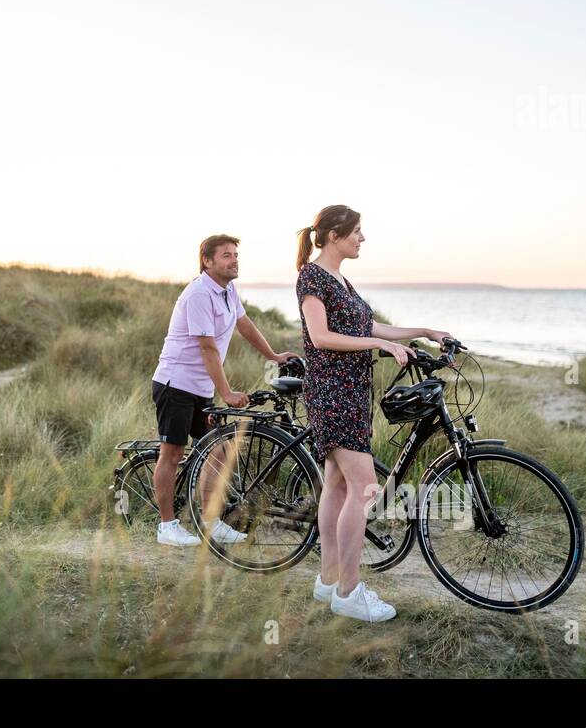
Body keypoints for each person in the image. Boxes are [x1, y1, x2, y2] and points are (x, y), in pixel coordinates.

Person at [295, 205, 452, 621]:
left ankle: (328, 582)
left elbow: (371, 327)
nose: (362, 239)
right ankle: (349, 591)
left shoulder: (342, 281)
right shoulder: (312, 277)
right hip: (331, 393)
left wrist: (423, 332)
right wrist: (380, 347)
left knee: (338, 487)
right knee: (364, 487)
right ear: (333, 235)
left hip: (351, 393)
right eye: (357, 232)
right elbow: (321, 336)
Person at [150, 234, 300, 547]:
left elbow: (244, 325)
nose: (234, 260)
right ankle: (167, 526)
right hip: (175, 385)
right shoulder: (199, 294)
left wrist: (272, 355)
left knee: (216, 451)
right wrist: (228, 392)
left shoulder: (228, 291)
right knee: (173, 453)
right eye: (226, 255)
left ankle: (210, 521)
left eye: (235, 255)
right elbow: (207, 348)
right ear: (207, 261)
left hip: (200, 389)